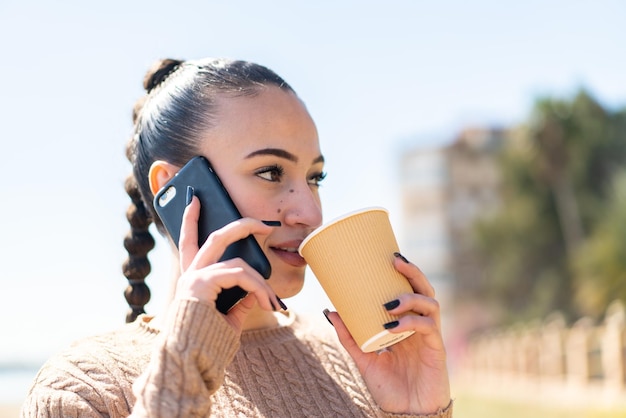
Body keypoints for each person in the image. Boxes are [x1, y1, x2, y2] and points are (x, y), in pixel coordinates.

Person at [21, 57, 453, 417]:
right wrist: (185, 363)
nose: (309, 212)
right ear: (175, 188)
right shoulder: (80, 389)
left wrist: (417, 411)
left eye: (315, 177)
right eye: (270, 172)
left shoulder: (362, 360)